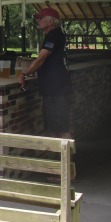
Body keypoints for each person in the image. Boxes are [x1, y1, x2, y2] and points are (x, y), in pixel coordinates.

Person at [18, 8, 73, 139]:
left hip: (57, 91)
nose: (37, 20)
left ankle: (69, 159)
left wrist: (24, 73)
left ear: (51, 21)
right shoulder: (54, 35)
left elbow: (41, 58)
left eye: (40, 18)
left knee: (62, 130)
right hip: (54, 91)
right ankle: (59, 159)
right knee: (53, 130)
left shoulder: (54, 35)